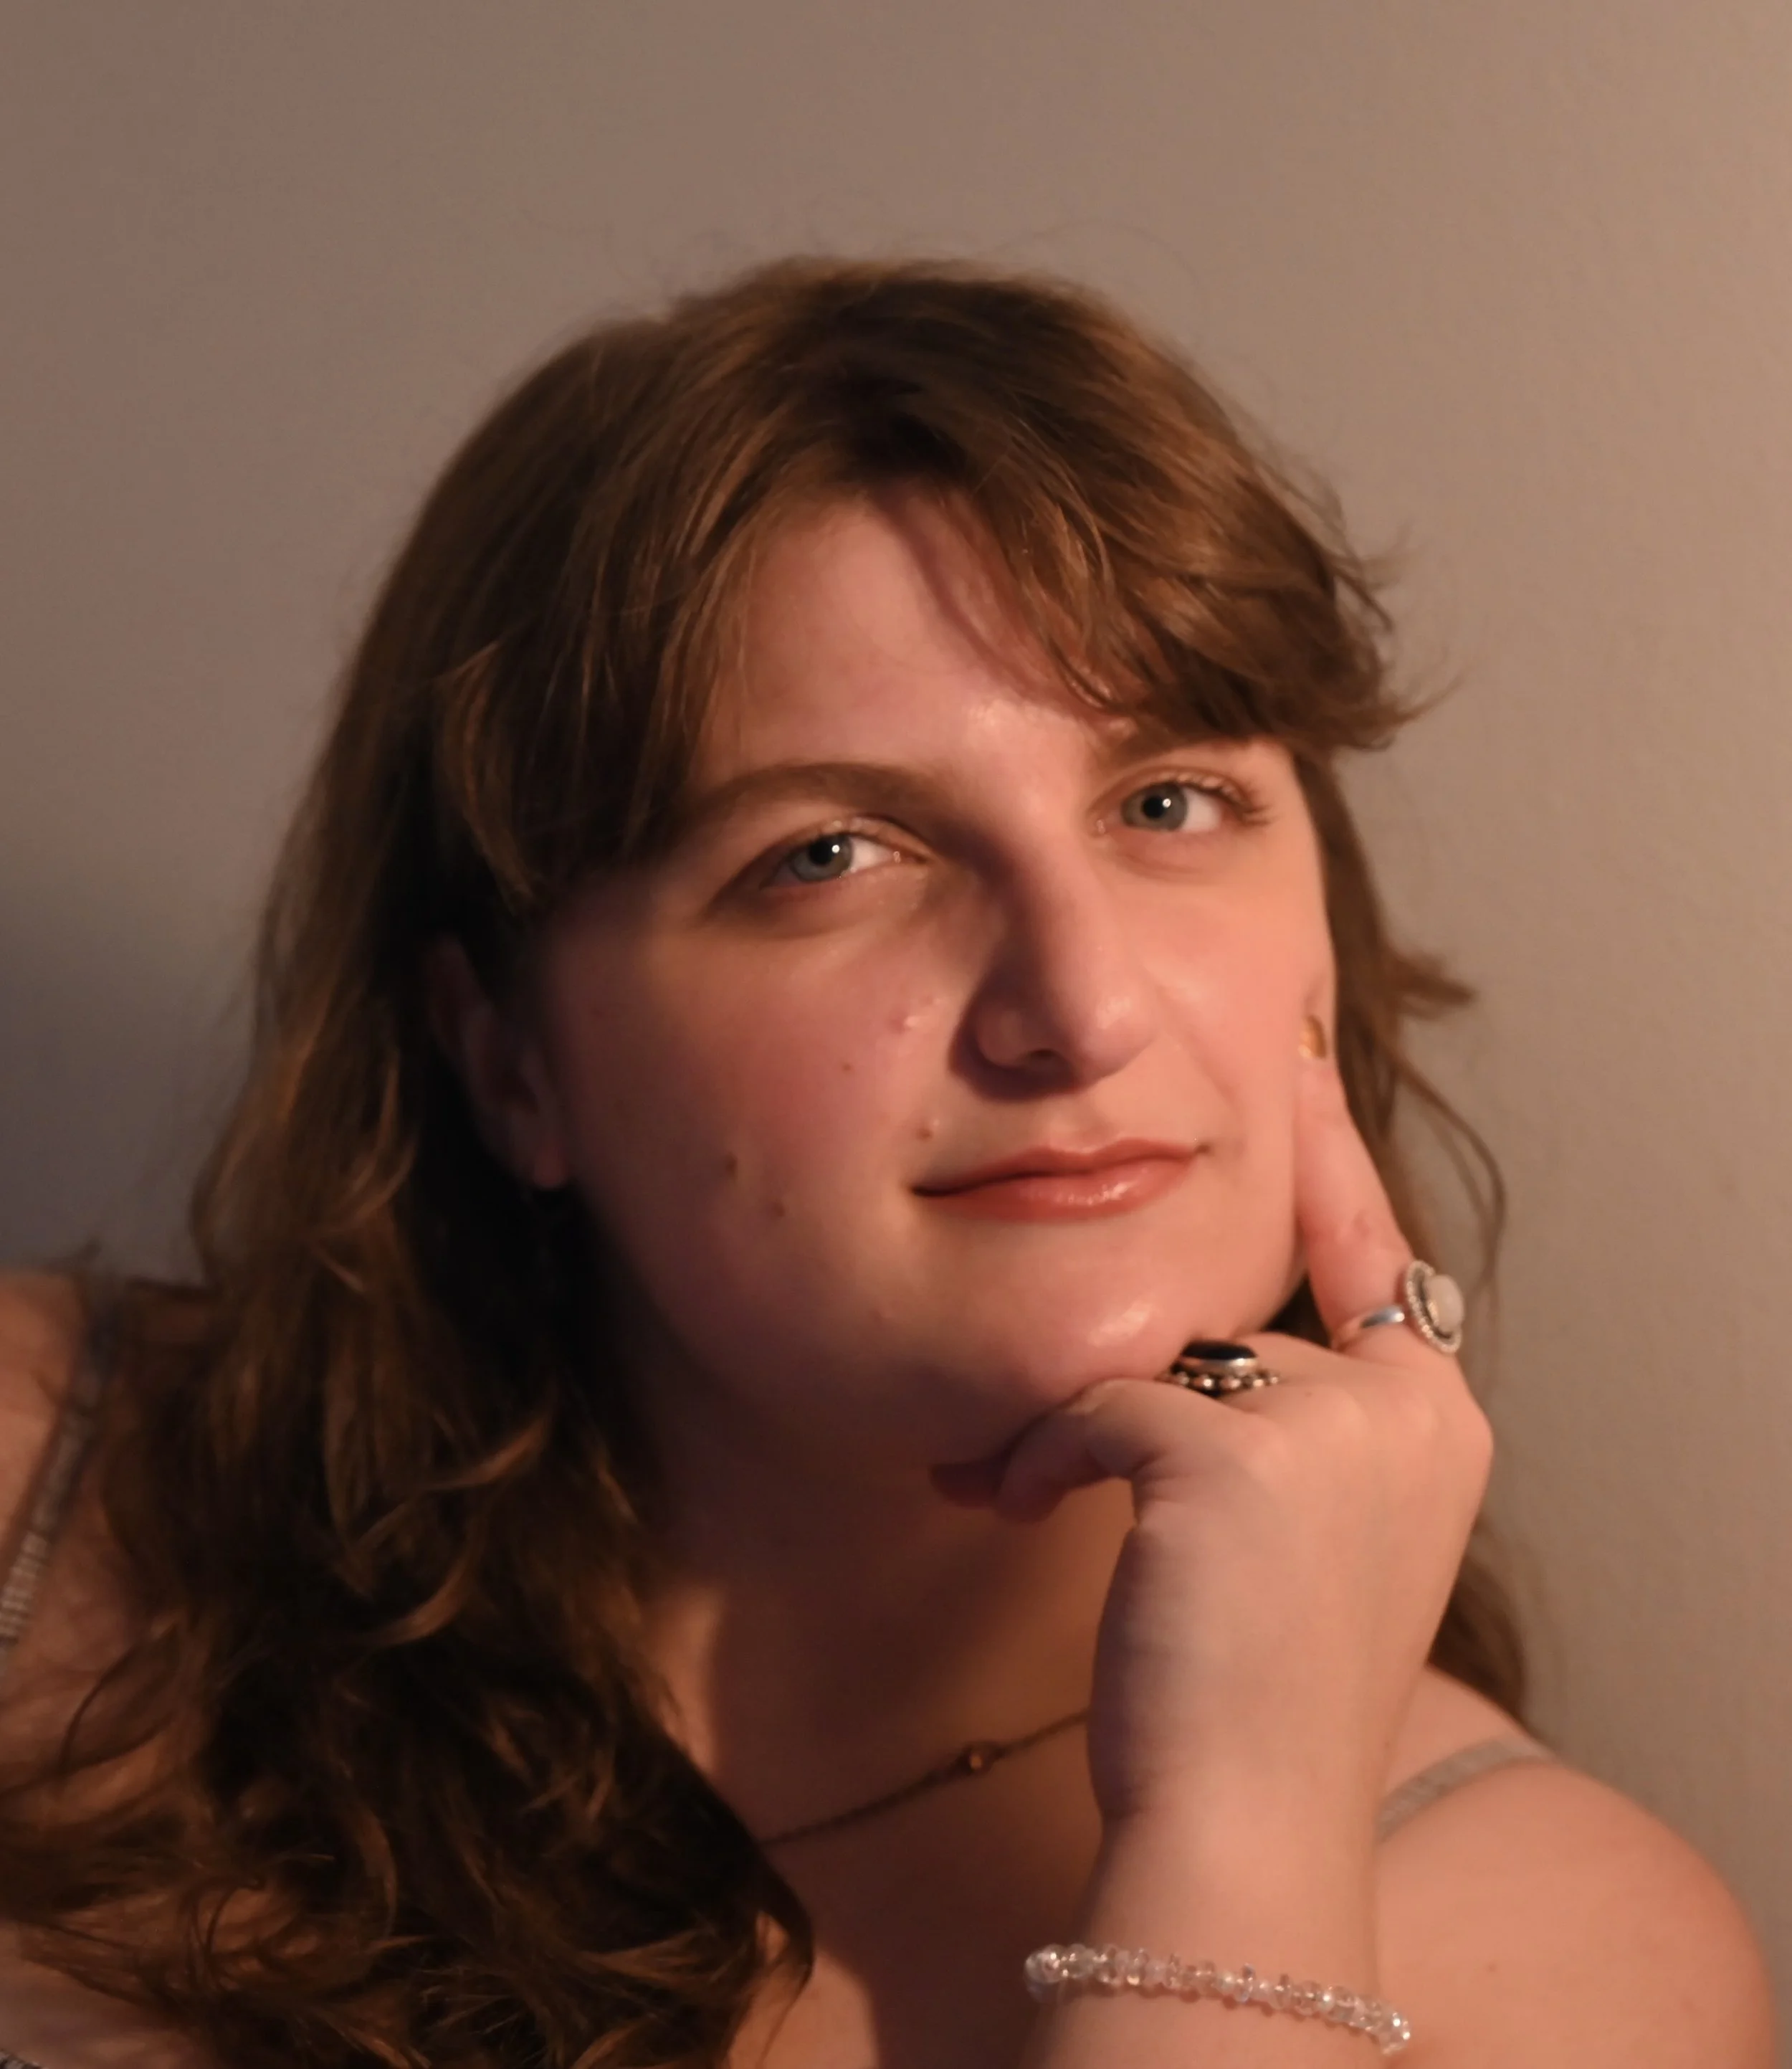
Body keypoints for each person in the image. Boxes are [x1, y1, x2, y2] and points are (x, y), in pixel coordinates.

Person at [0, 259, 1773, 2069]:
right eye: (828, 856)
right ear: (509, 1059)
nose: (1079, 1008)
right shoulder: (36, 1492)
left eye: (1166, 804)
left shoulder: (1568, 1958)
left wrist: (1238, 1840)